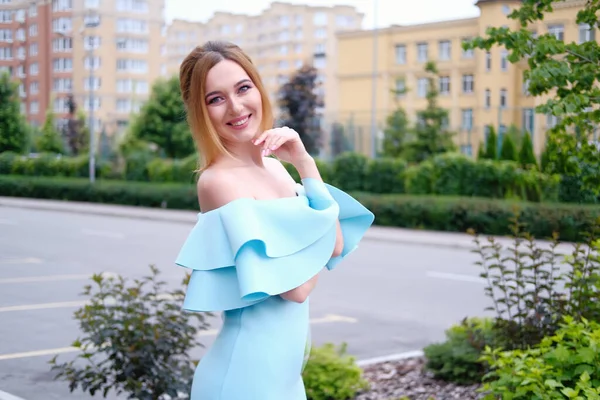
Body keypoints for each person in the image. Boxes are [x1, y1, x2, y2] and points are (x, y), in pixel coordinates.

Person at [175, 40, 374, 400]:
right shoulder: (218, 182)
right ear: (200, 111)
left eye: (243, 88)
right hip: (243, 379)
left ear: (258, 88)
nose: (235, 107)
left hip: (284, 378)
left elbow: (337, 244)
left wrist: (304, 162)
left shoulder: (277, 168)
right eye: (215, 98)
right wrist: (317, 241)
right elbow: (294, 290)